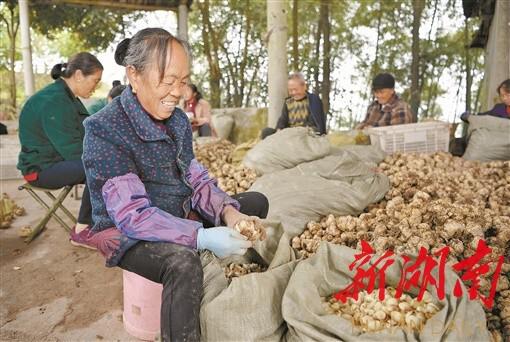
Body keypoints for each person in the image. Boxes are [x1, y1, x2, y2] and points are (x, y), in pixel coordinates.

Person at [77, 28, 269, 341]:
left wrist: (230, 214)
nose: (177, 91)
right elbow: (132, 216)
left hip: (177, 212)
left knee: (254, 204)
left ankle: (232, 282)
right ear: (134, 76)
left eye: (183, 81)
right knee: (183, 262)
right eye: (168, 81)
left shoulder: (177, 120)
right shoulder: (104, 130)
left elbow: (194, 177)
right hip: (125, 232)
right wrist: (200, 237)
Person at [17, 52, 103, 239]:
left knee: (107, 164)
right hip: (40, 169)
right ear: (79, 75)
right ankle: (83, 230)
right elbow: (74, 151)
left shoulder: (66, 97)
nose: (95, 87)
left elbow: (86, 132)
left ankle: (101, 221)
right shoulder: (54, 100)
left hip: (55, 162)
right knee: (99, 166)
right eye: (95, 81)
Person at [261, 72, 327, 139]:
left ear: (304, 86)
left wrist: (295, 131)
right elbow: (282, 120)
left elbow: (314, 124)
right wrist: (279, 129)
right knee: (266, 132)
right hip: (288, 133)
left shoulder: (313, 100)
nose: (293, 93)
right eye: (290, 90)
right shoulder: (288, 102)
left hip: (306, 133)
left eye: (295, 89)